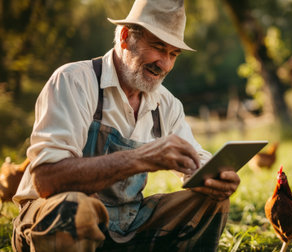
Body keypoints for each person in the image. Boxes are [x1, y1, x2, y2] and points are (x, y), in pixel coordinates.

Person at [11, 0, 240, 251]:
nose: (164, 64)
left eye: (173, 54)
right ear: (124, 37)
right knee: (76, 208)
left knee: (210, 202)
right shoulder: (74, 81)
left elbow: (195, 158)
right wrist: (140, 158)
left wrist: (215, 177)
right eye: (158, 47)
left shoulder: (167, 104)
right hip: (51, 221)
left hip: (125, 226)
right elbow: (46, 179)